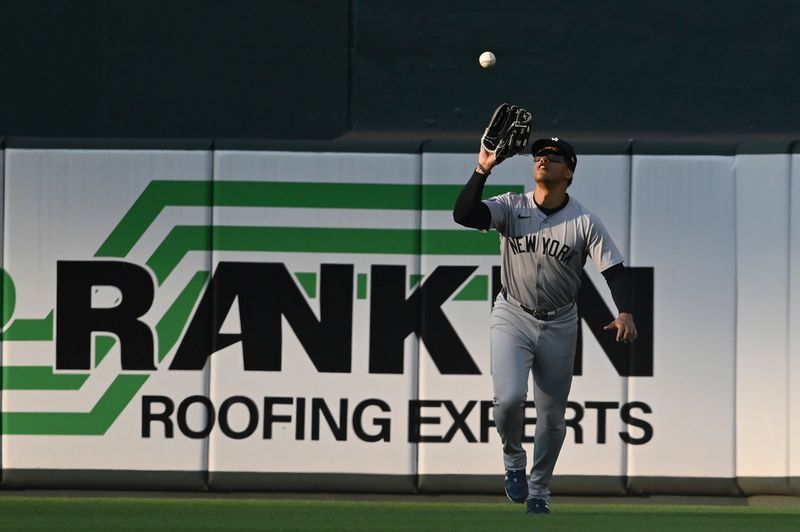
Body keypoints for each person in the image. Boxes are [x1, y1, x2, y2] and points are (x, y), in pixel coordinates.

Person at [452, 136, 637, 514]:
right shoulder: (511, 206)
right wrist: (482, 168)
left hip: (560, 322)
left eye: (553, 156)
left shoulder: (584, 221)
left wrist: (626, 312)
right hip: (512, 314)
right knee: (507, 401)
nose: (543, 159)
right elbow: (464, 214)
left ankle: (539, 491)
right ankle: (513, 462)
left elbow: (615, 272)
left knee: (552, 418)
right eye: (539, 155)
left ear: (568, 172)